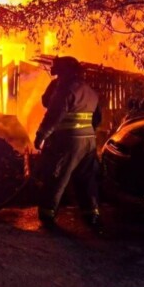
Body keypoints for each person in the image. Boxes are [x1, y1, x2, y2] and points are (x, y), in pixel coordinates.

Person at [34, 56, 103, 231]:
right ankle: (91, 213)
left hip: (68, 142)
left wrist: (41, 135)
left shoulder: (66, 90)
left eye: (58, 74)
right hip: (89, 142)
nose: (57, 78)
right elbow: (97, 119)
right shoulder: (90, 91)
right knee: (86, 179)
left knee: (57, 175)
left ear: (65, 72)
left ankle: (47, 214)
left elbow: (54, 115)